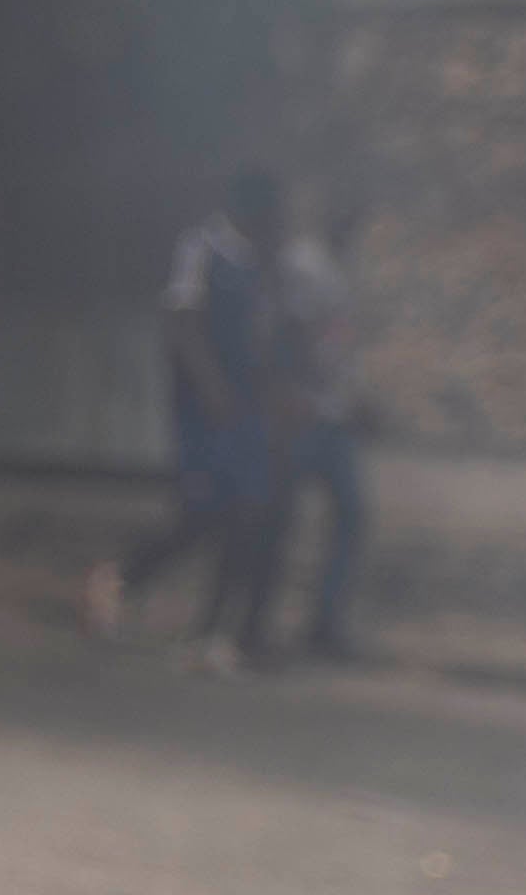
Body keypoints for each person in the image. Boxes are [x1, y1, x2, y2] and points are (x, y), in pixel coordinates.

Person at [87, 167, 285, 670]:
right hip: (204, 406)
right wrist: (211, 387)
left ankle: (216, 632)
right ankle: (121, 579)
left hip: (247, 406)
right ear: (247, 209)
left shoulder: (263, 261)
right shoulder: (203, 248)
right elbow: (183, 324)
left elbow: (261, 335)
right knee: (202, 514)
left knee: (250, 513)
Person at [274, 187, 371, 661]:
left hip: (331, 416)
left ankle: (324, 623)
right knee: (276, 516)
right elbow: (290, 334)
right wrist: (294, 394)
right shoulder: (303, 265)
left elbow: (335, 345)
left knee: (350, 514)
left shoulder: (337, 269)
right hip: (301, 415)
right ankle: (256, 621)